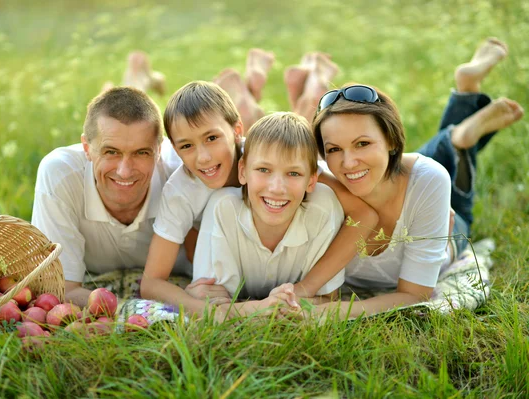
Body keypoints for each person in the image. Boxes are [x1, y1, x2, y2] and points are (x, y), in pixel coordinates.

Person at [282, 37, 525, 320]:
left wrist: (330, 313)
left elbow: (415, 295)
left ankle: (457, 141)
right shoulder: (315, 180)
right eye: (334, 149)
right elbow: (253, 153)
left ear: (393, 141)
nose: (347, 162)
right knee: (398, 168)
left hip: (440, 212)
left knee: (434, 177)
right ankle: (459, 129)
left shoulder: (427, 180)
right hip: (396, 173)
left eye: (362, 143)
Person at [139, 81, 377, 314]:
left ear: (236, 131)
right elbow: (151, 282)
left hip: (276, 250)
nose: (203, 158)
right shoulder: (181, 191)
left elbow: (363, 214)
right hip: (222, 256)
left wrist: (308, 288)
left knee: (310, 173)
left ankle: (305, 89)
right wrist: (204, 307)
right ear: (175, 148)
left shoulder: (271, 158)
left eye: (212, 138)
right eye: (186, 146)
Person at [31, 87, 191, 307]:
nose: (124, 171)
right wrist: (139, 310)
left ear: (159, 150)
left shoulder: (186, 173)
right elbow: (60, 289)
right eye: (111, 152)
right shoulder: (61, 175)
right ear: (87, 148)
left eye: (141, 152)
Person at [192, 112, 345, 318]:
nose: (277, 188)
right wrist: (267, 306)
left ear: (311, 181)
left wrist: (254, 309)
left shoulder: (323, 208)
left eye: (293, 173)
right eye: (263, 169)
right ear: (243, 171)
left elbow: (328, 298)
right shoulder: (223, 208)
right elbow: (211, 305)